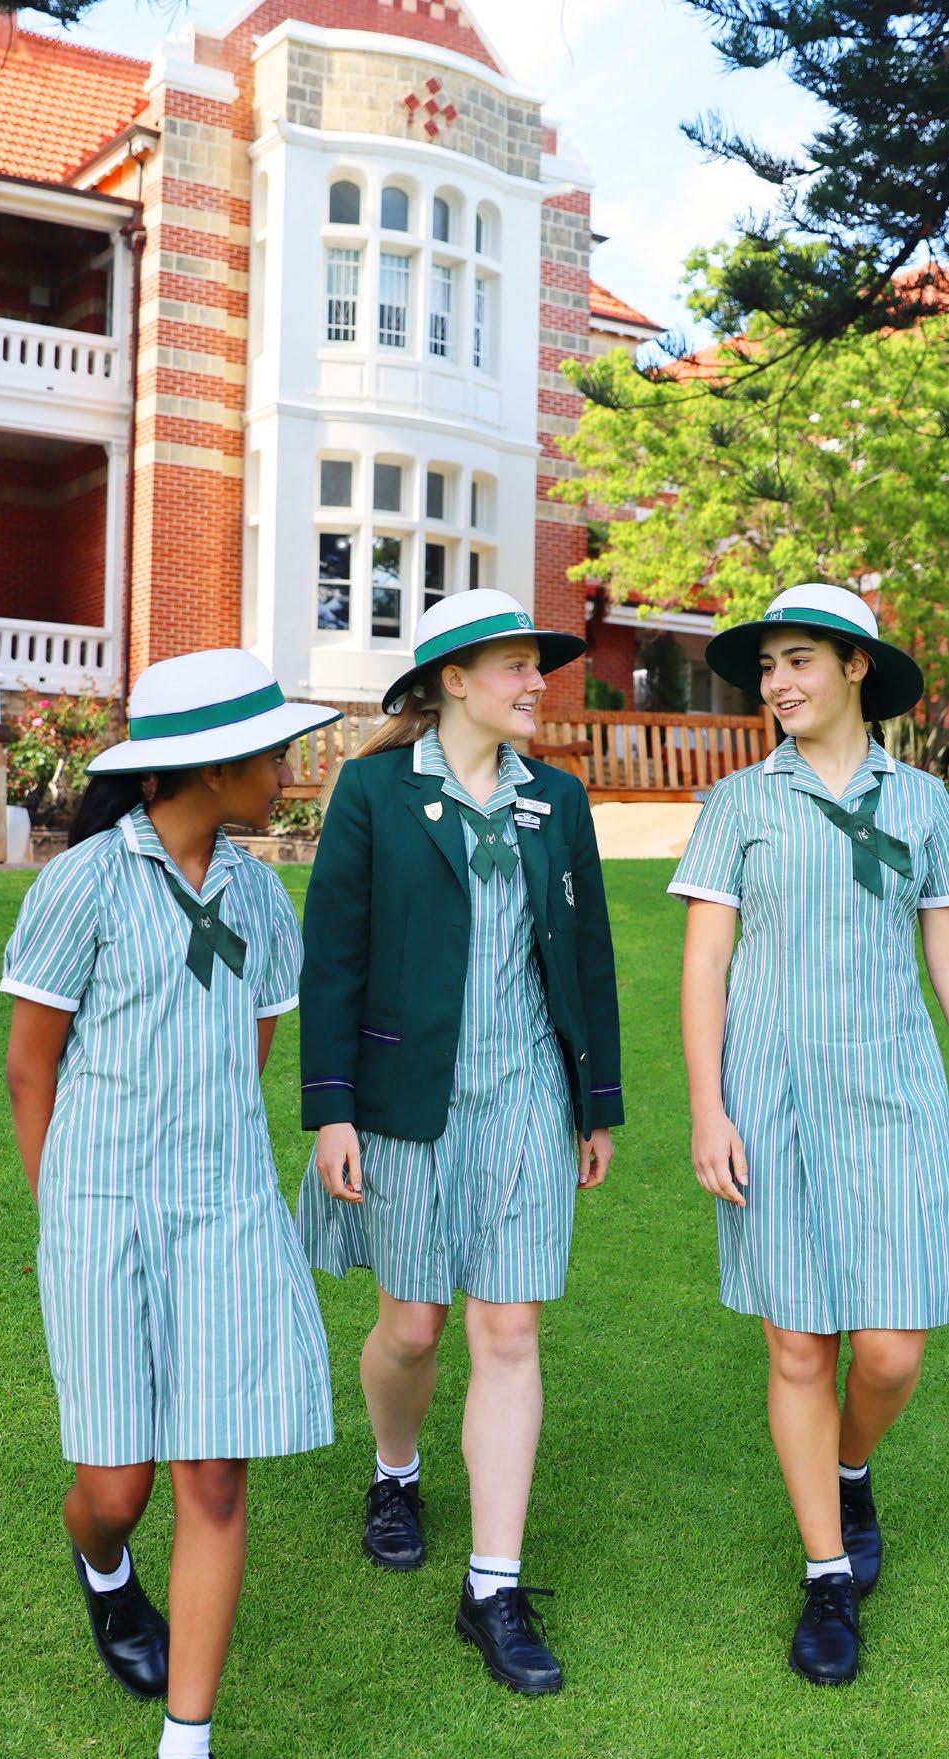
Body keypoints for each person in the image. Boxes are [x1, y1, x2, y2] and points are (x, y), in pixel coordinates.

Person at [670, 582, 949, 1686]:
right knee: (798, 1345)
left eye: (800, 660)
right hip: (768, 1095)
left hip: (894, 1093)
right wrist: (708, 1107)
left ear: (856, 667)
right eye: (767, 665)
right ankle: (825, 1574)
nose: (778, 683)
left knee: (892, 1348)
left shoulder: (921, 802)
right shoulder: (738, 802)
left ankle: (849, 1467)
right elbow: (706, 960)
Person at [2, 650, 340, 1759]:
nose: (286, 774)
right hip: (98, 1210)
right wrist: (65, 1216)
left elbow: (251, 1051)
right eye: (273, 755)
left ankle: (184, 1740)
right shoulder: (84, 884)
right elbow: (30, 1069)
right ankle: (104, 1565)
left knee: (214, 1476)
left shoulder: (261, 896)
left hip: (226, 1215)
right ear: (211, 768)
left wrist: (211, 1167)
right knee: (117, 1486)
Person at [296, 588, 623, 1695]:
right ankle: (396, 1469)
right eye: (515, 666)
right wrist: (333, 1107)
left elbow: (587, 952)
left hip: (526, 1090)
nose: (537, 683)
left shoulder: (556, 799)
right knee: (411, 1326)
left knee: (509, 1327)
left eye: (538, 664)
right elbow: (332, 956)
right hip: (402, 1098)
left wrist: (595, 1101)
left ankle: (493, 1587)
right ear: (452, 681)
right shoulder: (374, 790)